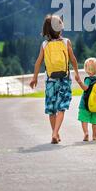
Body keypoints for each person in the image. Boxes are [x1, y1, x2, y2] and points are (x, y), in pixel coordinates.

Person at [30, 14, 80, 144]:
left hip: (50, 80)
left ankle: (55, 133)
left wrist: (34, 78)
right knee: (61, 108)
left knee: (51, 109)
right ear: (60, 29)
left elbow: (38, 62)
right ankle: (55, 133)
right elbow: (73, 59)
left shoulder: (44, 44)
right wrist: (76, 73)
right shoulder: (66, 42)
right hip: (64, 79)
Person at [76, 57, 96, 142]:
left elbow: (85, 88)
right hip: (95, 105)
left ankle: (86, 133)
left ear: (86, 69)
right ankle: (94, 136)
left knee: (84, 119)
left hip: (85, 104)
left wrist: (79, 82)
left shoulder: (88, 79)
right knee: (95, 121)